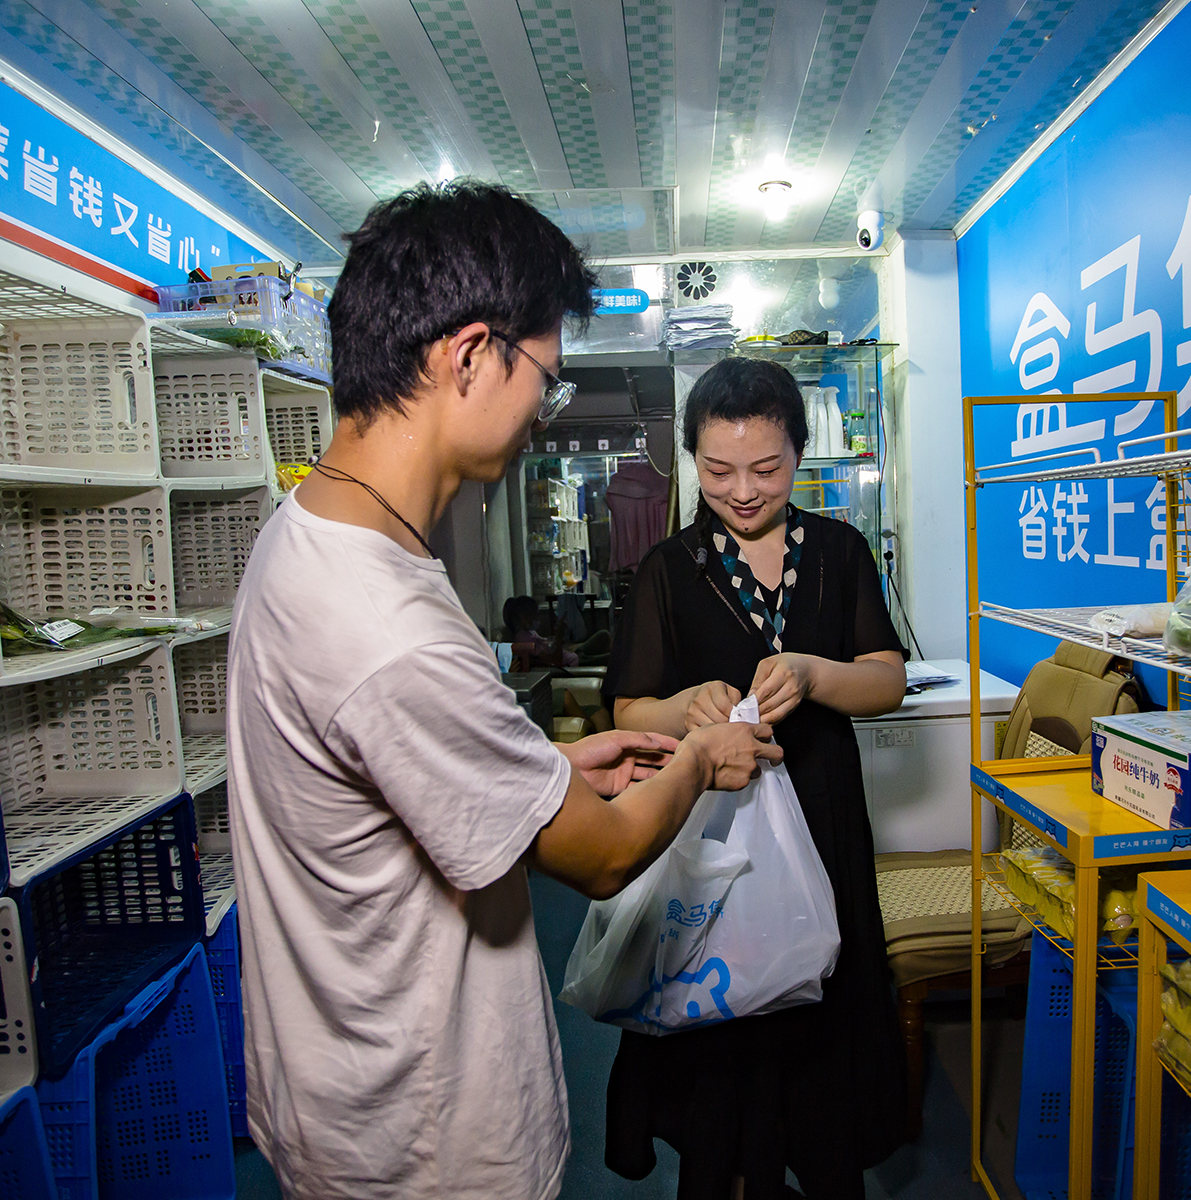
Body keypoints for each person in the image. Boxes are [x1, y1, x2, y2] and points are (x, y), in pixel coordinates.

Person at [225, 182, 782, 1200]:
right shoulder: (384, 616)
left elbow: (380, 778)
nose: (544, 411)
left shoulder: (311, 531)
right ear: (472, 354)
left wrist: (545, 767)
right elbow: (607, 856)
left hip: (344, 1090)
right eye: (547, 380)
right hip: (423, 1138)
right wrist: (702, 758)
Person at [604, 357, 910, 1198]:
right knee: (722, 1039)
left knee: (823, 1023)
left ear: (801, 457)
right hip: (716, 841)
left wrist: (813, 674)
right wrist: (685, 708)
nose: (742, 491)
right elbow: (629, 709)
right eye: (717, 471)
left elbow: (884, 679)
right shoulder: (670, 570)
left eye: (767, 469)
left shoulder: (840, 551)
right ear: (694, 462)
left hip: (822, 820)